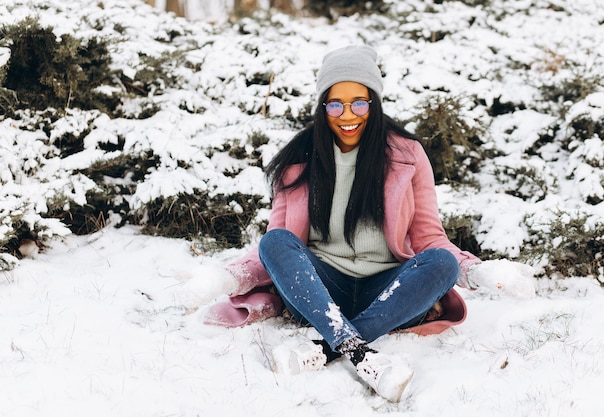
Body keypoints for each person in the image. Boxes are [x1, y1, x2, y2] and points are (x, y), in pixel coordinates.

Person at [196, 45, 535, 402]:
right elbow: (277, 247)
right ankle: (361, 352)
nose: (347, 115)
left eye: (359, 102)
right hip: (318, 292)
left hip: (388, 293)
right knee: (275, 241)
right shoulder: (299, 159)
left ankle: (328, 347)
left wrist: (477, 272)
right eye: (335, 104)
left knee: (442, 263)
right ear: (322, 107)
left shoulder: (407, 154)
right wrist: (228, 276)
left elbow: (430, 238)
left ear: (374, 103)